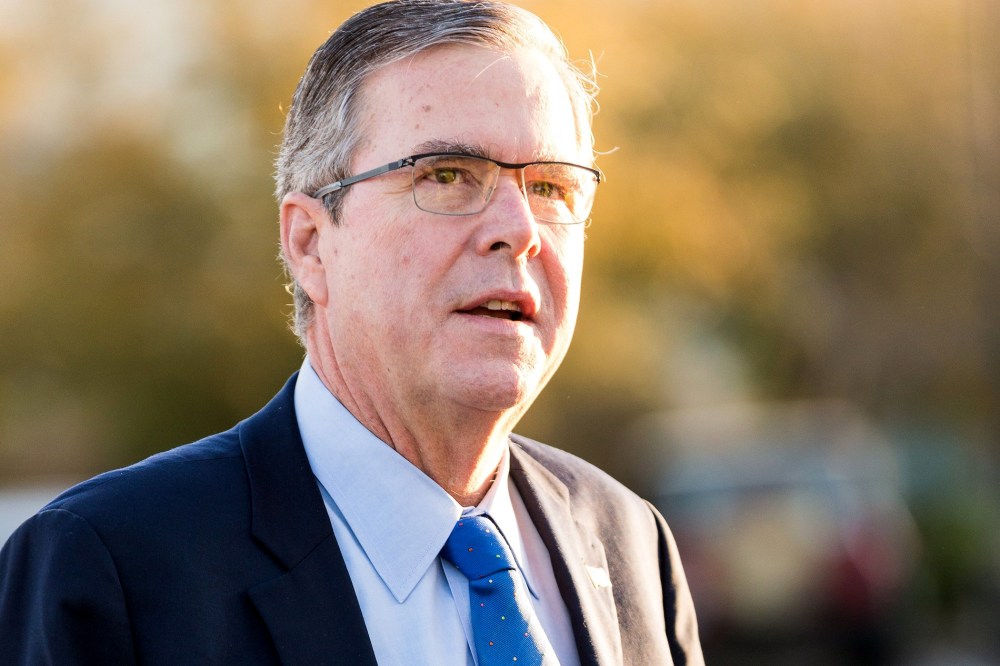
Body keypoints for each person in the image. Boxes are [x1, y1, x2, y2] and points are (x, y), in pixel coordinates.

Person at [0, 1, 702, 663]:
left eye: (551, 188)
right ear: (309, 243)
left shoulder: (631, 546)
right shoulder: (108, 569)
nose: (519, 231)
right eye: (449, 175)